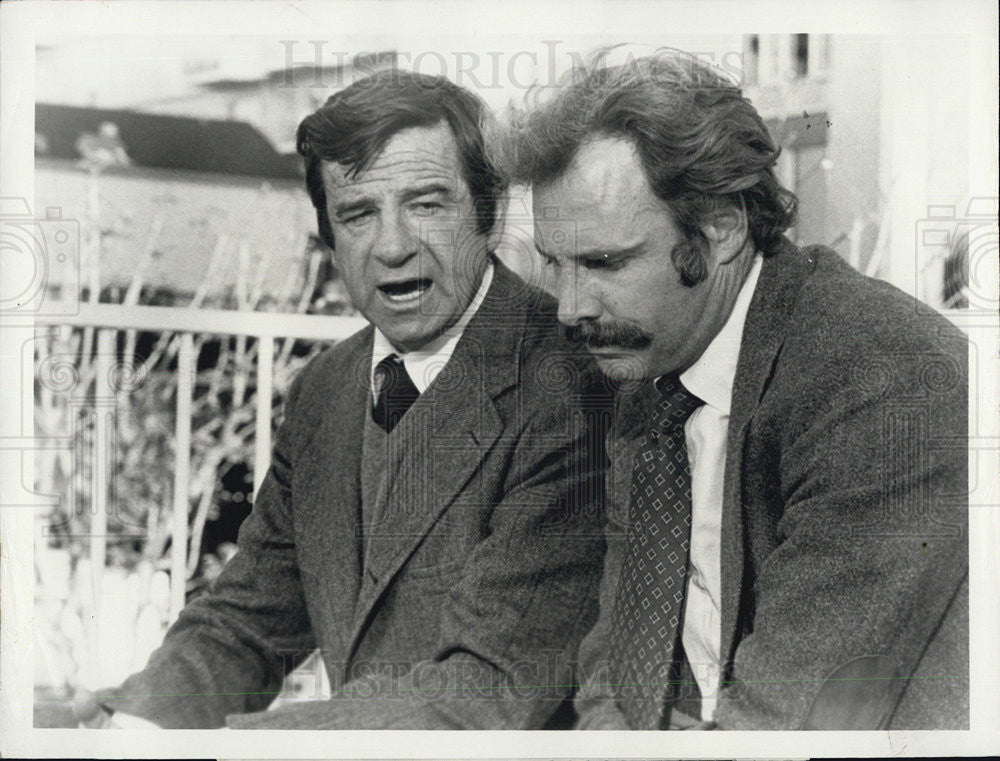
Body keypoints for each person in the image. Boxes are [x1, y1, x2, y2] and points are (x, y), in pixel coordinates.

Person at [87, 69, 610, 729]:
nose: (392, 246)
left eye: (426, 204)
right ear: (330, 241)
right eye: (358, 214)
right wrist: (134, 722)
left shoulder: (570, 386)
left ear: (490, 214)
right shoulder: (327, 386)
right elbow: (245, 621)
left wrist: (224, 744)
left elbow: (484, 692)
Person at [497, 49, 968, 730]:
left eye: (603, 262)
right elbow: (611, 674)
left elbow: (789, 724)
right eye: (555, 263)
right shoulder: (654, 368)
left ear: (720, 230)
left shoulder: (884, 380)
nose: (569, 306)